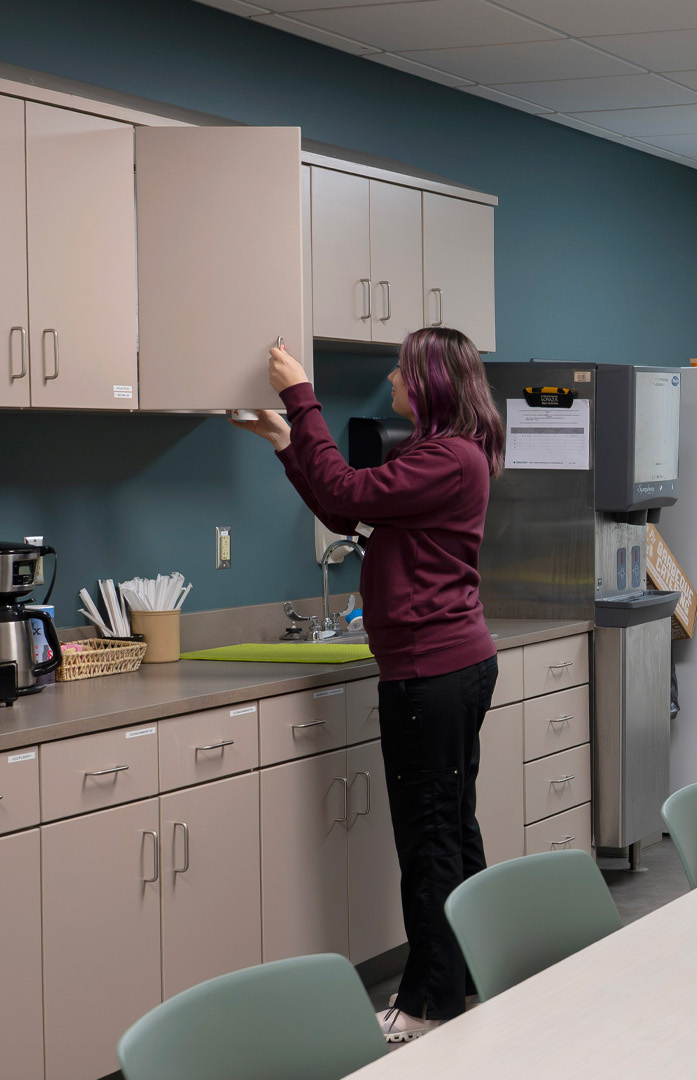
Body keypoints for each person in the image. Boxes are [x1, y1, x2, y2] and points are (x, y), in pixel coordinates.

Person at [232, 327, 504, 1042]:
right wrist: (287, 445)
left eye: (401, 370)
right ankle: (466, 979)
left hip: (433, 671)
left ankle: (426, 1008)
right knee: (451, 834)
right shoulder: (442, 455)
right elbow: (348, 509)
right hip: (447, 665)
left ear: (432, 383)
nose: (392, 381)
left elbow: (347, 487)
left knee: (431, 844)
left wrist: (301, 397)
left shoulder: (449, 457)